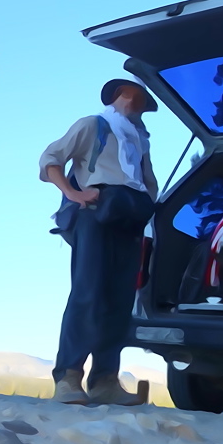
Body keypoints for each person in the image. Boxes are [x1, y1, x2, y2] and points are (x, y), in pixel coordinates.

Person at [39, 77, 159, 405]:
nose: (138, 105)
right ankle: (68, 377)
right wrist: (74, 193)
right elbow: (50, 159)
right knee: (87, 292)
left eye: (142, 102)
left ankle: (106, 380)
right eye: (135, 97)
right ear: (120, 95)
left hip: (130, 219)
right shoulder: (94, 124)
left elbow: (148, 180)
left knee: (120, 300)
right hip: (95, 212)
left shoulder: (141, 138)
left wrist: (146, 206)